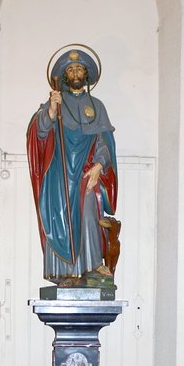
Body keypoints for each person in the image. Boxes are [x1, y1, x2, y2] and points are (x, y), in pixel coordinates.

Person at [27, 47, 118, 286]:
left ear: (86, 74)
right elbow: (40, 133)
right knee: (60, 217)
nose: (76, 72)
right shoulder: (56, 103)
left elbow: (104, 141)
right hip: (59, 172)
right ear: (65, 76)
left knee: (89, 214)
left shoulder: (97, 106)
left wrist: (99, 166)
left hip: (87, 171)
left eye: (79, 69)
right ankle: (64, 273)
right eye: (71, 69)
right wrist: (51, 110)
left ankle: (92, 266)